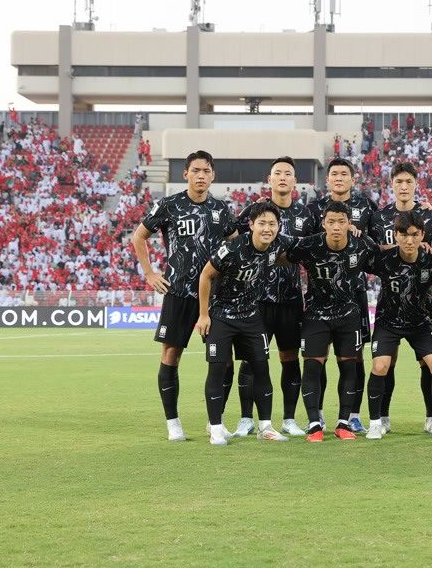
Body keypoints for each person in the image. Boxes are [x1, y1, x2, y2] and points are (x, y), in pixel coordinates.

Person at [131, 151, 236, 441]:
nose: (201, 175)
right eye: (196, 170)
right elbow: (138, 236)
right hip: (178, 292)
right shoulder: (169, 205)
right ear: (186, 174)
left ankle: (216, 420)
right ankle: (173, 422)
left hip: (215, 296)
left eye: (206, 171)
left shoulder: (222, 209)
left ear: (213, 175)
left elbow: (234, 246)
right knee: (171, 354)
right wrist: (150, 273)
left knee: (223, 359)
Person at [194, 201, 289, 445]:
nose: (267, 229)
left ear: (278, 226)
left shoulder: (277, 244)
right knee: (217, 370)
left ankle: (265, 426)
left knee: (262, 368)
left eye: (272, 224)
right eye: (262, 224)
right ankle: (215, 427)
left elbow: (306, 247)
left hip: (250, 317)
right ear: (251, 225)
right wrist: (204, 315)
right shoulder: (232, 248)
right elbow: (206, 275)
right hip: (222, 316)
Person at [367, 162, 432, 432]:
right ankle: (381, 419)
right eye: (399, 182)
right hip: (389, 308)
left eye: (409, 182)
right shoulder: (379, 217)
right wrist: (397, 246)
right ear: (391, 184)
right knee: (385, 364)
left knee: (430, 364)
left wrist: (429, 249)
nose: (404, 187)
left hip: (422, 309)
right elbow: (369, 252)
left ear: (416, 184)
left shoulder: (429, 215)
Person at [231, 157, 312, 438]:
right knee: (252, 360)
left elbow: (316, 250)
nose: (282, 177)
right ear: (269, 179)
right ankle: (245, 419)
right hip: (256, 300)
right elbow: (233, 244)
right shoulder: (252, 212)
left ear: (294, 181)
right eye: (277, 173)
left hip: (290, 300)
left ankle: (289, 418)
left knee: (290, 358)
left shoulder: (306, 216)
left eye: (287, 173)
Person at [285, 201, 379, 442]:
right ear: (324, 223)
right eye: (331, 222)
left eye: (341, 221)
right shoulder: (309, 245)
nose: (336, 227)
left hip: (349, 315)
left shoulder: (363, 244)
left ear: (350, 223)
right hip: (316, 315)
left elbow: (386, 258)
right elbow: (281, 255)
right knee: (313, 366)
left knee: (349, 366)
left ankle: (343, 423)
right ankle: (314, 423)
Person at [306, 158, 378, 433]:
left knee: (354, 357)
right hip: (320, 296)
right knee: (318, 357)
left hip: (354, 294)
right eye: (334, 173)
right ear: (328, 180)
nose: (338, 177)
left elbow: (374, 242)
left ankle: (354, 414)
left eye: (344, 173)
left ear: (352, 178)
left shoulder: (367, 206)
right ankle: (319, 413)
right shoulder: (315, 209)